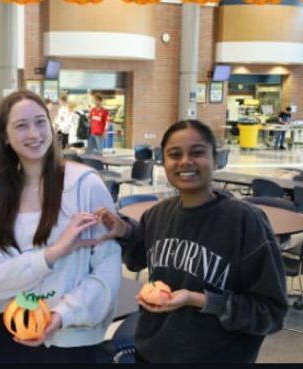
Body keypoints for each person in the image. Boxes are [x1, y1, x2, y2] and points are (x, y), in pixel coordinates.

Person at [96, 119, 288, 363]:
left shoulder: (245, 222)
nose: (185, 161)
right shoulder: (157, 215)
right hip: (152, 352)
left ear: (216, 158)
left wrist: (200, 300)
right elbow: (136, 259)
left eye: (197, 152)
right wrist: (123, 230)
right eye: (174, 154)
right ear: (163, 162)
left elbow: (270, 313)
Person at [0, 90, 122, 363]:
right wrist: (52, 253)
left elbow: (108, 268)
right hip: (15, 334)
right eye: (21, 125)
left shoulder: (85, 186)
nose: (34, 134)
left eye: (41, 122)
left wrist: (63, 314)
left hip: (71, 340)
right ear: (5, 137)